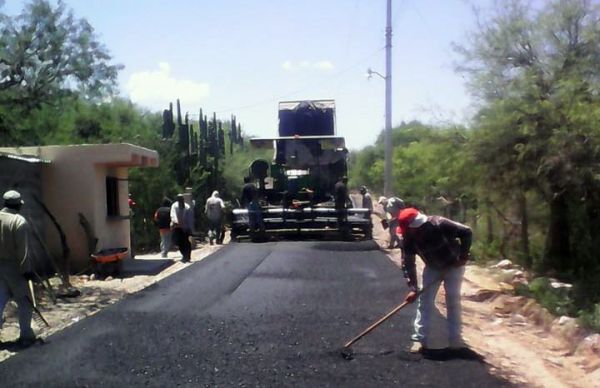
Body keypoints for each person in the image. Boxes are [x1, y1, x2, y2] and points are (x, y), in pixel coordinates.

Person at [397, 207, 472, 353]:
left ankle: (455, 342)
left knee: (453, 301)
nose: (408, 233)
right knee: (425, 301)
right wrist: (413, 288)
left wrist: (463, 256)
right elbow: (407, 263)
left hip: (453, 266)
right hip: (432, 268)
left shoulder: (441, 224)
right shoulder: (408, 239)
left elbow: (467, 232)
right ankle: (419, 339)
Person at [0, 190, 37, 346]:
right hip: (14, 267)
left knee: (0, 301)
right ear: (18, 205)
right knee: (25, 302)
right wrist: (26, 270)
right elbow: (23, 251)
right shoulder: (18, 222)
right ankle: (26, 335)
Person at [170, 194, 194, 262]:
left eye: (181, 199)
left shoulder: (187, 207)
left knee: (186, 242)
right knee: (179, 242)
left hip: (185, 228)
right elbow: (173, 215)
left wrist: (190, 228)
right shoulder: (174, 206)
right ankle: (184, 255)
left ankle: (188, 256)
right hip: (177, 227)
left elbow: (190, 219)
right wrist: (175, 221)